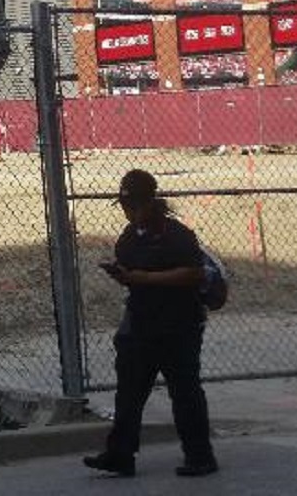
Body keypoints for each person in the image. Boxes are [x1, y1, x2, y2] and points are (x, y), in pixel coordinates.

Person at [84, 168, 219, 478]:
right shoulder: (129, 238)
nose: (129, 213)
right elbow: (133, 277)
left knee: (185, 392)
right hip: (142, 325)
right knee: (129, 393)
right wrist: (125, 276)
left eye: (134, 206)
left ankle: (200, 456)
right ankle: (120, 455)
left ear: (149, 203)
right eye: (125, 206)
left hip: (179, 325)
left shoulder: (176, 235)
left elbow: (193, 273)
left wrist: (146, 278)